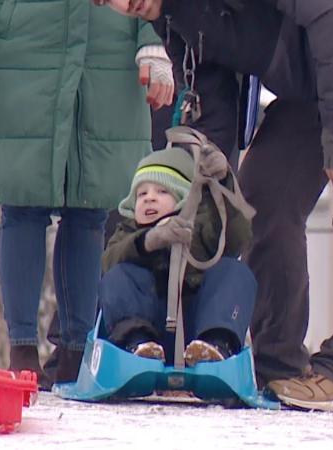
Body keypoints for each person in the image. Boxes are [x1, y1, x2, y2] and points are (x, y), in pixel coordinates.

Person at [98, 0, 333, 411]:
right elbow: (212, 125)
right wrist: (194, 202)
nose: (124, 3)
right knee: (261, 200)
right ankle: (279, 368)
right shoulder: (176, 19)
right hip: (320, 68)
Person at [0, 0, 174, 389]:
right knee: (22, 206)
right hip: (24, 61)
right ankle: (22, 349)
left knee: (90, 209)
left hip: (106, 62)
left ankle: (76, 351)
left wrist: (156, 38)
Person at [99, 135, 254, 365]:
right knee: (117, 276)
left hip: (197, 326)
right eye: (142, 194)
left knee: (235, 272)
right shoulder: (129, 231)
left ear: (183, 198)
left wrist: (224, 182)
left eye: (162, 192)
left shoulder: (203, 223)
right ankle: (137, 346)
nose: (150, 198)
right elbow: (108, 261)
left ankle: (217, 346)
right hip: (149, 325)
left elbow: (237, 238)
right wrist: (148, 241)